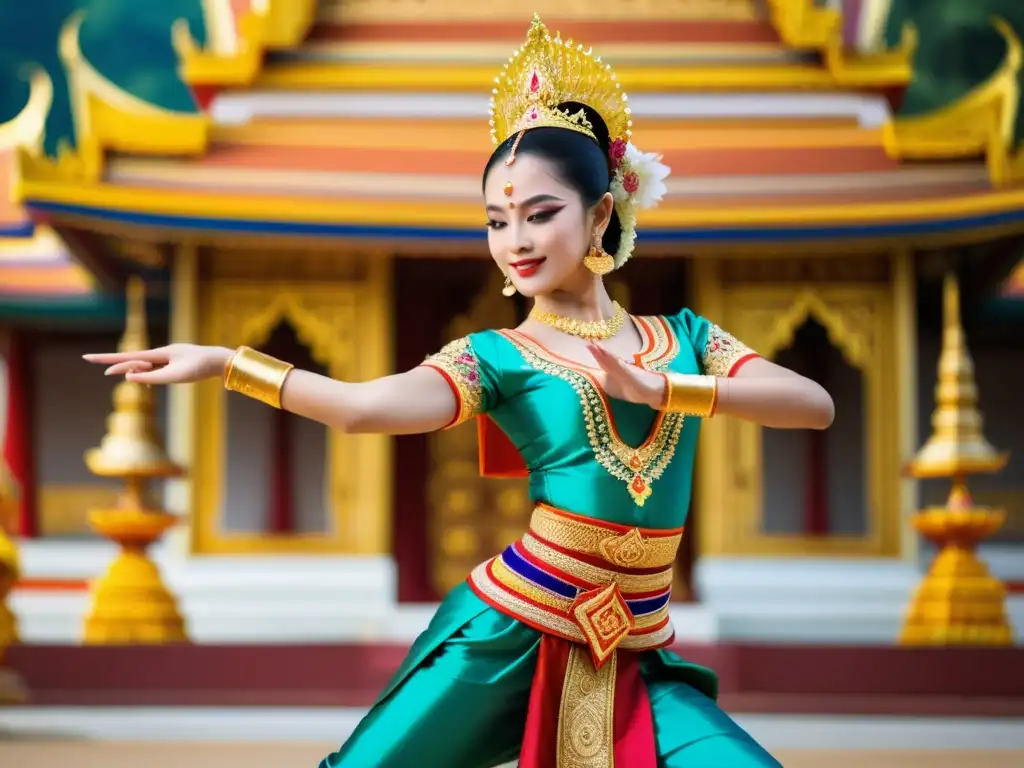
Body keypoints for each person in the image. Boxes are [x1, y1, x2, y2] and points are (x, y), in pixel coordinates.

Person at [85, 15, 833, 768]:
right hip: (512, 628)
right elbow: (361, 409)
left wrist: (669, 388)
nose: (517, 239)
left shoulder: (687, 341)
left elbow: (812, 404)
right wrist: (227, 363)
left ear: (601, 213)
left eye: (541, 214)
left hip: (636, 649)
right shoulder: (498, 357)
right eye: (498, 220)